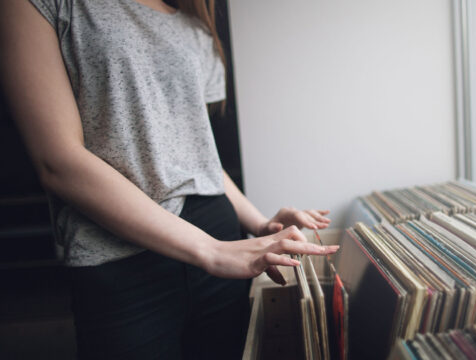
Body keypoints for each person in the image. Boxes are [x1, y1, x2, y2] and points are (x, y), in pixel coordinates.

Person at [0, 0, 338, 359]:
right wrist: (212, 250)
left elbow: (197, 156)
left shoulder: (194, 24)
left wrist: (259, 223)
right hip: (119, 256)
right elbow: (57, 161)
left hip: (217, 237)